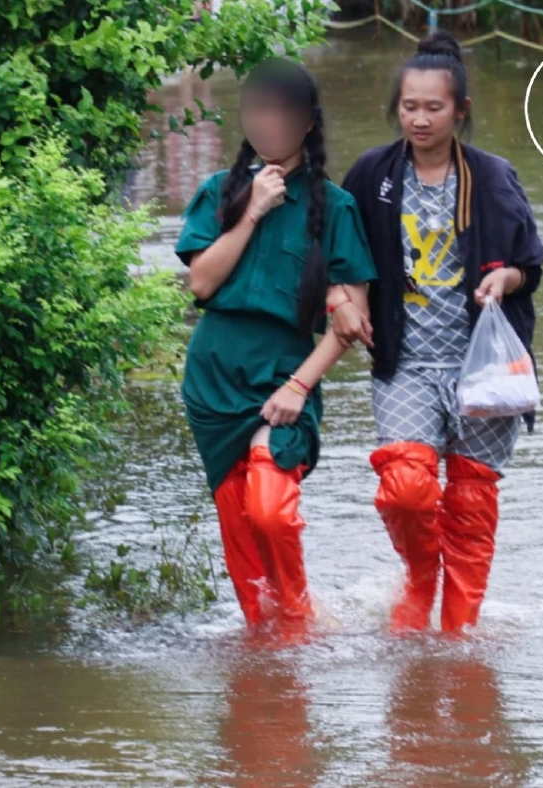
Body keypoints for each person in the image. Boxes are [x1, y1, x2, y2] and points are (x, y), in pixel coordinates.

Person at [336, 31, 543, 635]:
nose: (420, 119)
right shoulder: (373, 174)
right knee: (405, 488)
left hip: (482, 366)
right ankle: (421, 578)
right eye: (409, 106)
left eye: (434, 107)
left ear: (461, 111)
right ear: (395, 107)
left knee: (472, 504)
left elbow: (529, 264)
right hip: (405, 363)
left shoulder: (493, 177)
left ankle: (458, 631)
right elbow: (341, 254)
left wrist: (504, 279)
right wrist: (340, 298)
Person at [176, 58, 376, 637]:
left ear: (308, 123)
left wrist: (299, 386)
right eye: (257, 111)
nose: (268, 123)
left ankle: (298, 622)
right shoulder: (219, 192)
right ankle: (266, 665)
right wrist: (252, 212)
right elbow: (202, 283)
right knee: (240, 532)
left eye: (281, 112)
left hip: (286, 374)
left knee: (269, 504)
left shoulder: (336, 208)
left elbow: (350, 322)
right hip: (213, 380)